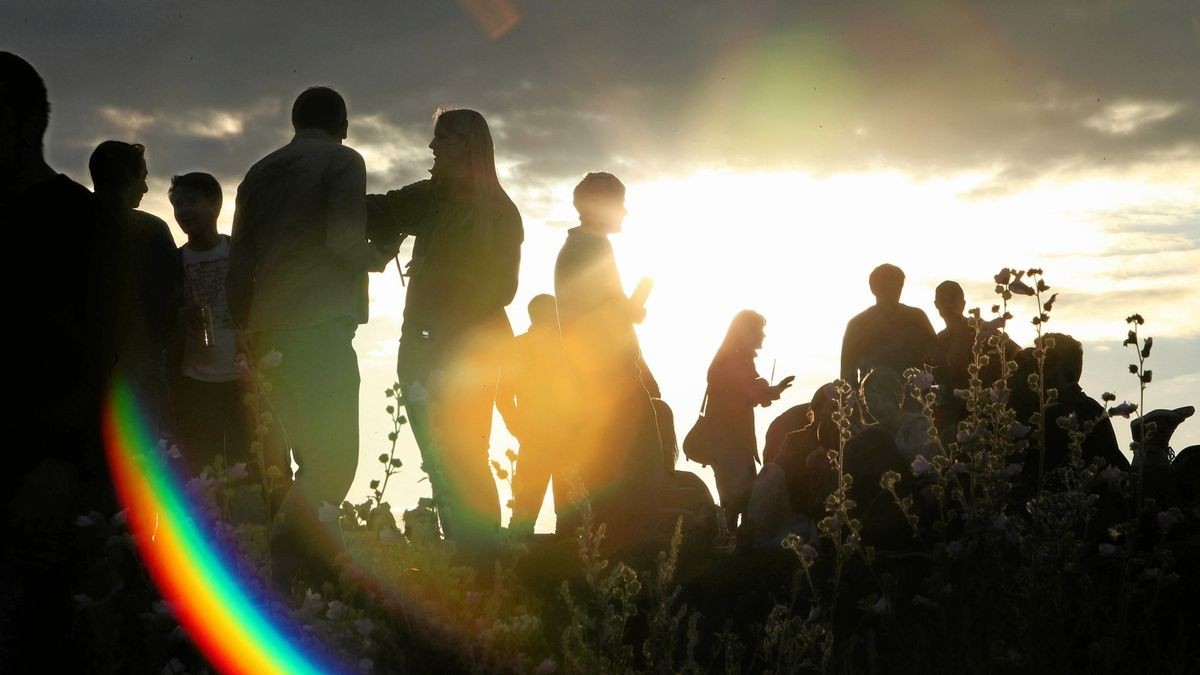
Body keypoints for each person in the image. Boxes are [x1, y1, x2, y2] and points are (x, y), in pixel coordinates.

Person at [227, 86, 395, 585]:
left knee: (301, 459)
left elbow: (240, 259)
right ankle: (279, 553)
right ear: (343, 125)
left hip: (266, 331)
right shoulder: (343, 161)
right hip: (319, 327)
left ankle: (317, 578)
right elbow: (344, 242)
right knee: (335, 460)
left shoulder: (259, 172)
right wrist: (380, 253)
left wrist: (244, 328)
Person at [1, 51, 117, 671]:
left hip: (44, 495)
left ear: (23, 124)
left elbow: (114, 358)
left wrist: (63, 463)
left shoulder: (85, 224)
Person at [366, 108, 523, 551]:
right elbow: (377, 211)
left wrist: (438, 274)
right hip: (421, 345)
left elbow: (502, 289)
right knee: (440, 462)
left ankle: (482, 559)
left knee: (464, 460)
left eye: (443, 138)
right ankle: (467, 557)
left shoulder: (500, 213)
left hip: (469, 353)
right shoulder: (431, 197)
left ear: (468, 146)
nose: (432, 147)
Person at [554, 172, 665, 550]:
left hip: (598, 377)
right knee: (638, 470)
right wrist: (632, 309)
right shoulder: (591, 249)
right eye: (619, 203)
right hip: (608, 379)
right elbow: (603, 315)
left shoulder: (582, 247)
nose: (625, 212)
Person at [90, 140, 181, 440]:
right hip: (141, 362)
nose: (145, 188)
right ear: (127, 178)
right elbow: (172, 296)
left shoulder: (68, 223)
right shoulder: (151, 229)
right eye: (142, 177)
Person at [168, 173, 248, 475]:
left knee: (253, 466)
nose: (183, 211)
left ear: (215, 205)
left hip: (242, 380)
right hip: (195, 384)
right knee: (203, 470)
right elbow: (162, 316)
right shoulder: (173, 262)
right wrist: (179, 316)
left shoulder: (237, 254)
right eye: (177, 205)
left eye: (192, 202)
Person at [704, 310, 794, 532]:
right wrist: (770, 390)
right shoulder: (734, 360)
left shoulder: (733, 358)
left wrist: (771, 391)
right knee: (737, 499)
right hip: (730, 442)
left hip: (732, 441)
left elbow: (749, 393)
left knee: (737, 498)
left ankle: (732, 540)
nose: (763, 335)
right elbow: (749, 392)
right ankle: (732, 544)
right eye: (759, 330)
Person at [496, 294, 572, 536]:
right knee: (537, 513)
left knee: (551, 514)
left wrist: (518, 428)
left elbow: (502, 396)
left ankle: (514, 562)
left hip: (554, 437)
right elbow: (503, 395)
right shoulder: (567, 346)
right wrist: (519, 428)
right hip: (547, 438)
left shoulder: (524, 346)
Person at [932, 280, 1020, 425]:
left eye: (953, 299)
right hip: (954, 410)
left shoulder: (981, 329)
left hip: (988, 407)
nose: (948, 305)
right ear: (936, 305)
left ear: (963, 304)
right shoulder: (940, 339)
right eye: (943, 300)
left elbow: (1016, 353)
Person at [840, 264, 937, 389]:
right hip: (872, 399)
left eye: (897, 286)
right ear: (873, 288)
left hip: (913, 397)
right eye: (885, 287)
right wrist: (856, 403)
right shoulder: (857, 324)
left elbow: (936, 358)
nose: (892, 290)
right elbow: (847, 374)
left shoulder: (916, 317)